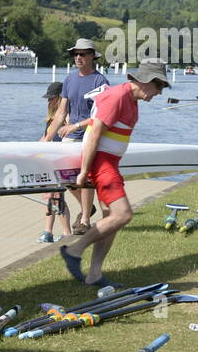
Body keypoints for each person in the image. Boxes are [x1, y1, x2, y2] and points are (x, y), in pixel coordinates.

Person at [59, 59, 170, 287]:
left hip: (111, 162)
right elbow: (94, 136)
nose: (158, 94)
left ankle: (95, 274)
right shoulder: (117, 96)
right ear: (149, 82)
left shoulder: (128, 98)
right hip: (102, 164)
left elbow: (100, 119)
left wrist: (76, 125)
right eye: (160, 88)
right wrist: (83, 173)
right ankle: (74, 250)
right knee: (123, 215)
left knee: (112, 218)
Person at [42, 38, 108, 234]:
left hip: (91, 133)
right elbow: (61, 112)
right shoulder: (70, 79)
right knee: (66, 177)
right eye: (75, 54)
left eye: (82, 54)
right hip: (71, 135)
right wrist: (47, 140)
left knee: (86, 176)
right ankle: (87, 207)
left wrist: (77, 126)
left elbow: (101, 115)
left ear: (92, 57)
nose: (78, 57)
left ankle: (85, 219)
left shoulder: (100, 81)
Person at [39, 81, 72, 243]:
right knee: (50, 196)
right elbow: (45, 138)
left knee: (57, 196)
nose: (49, 101)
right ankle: (48, 232)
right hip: (49, 160)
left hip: (61, 161)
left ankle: (67, 233)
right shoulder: (50, 119)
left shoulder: (66, 117)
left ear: (60, 98)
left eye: (52, 98)